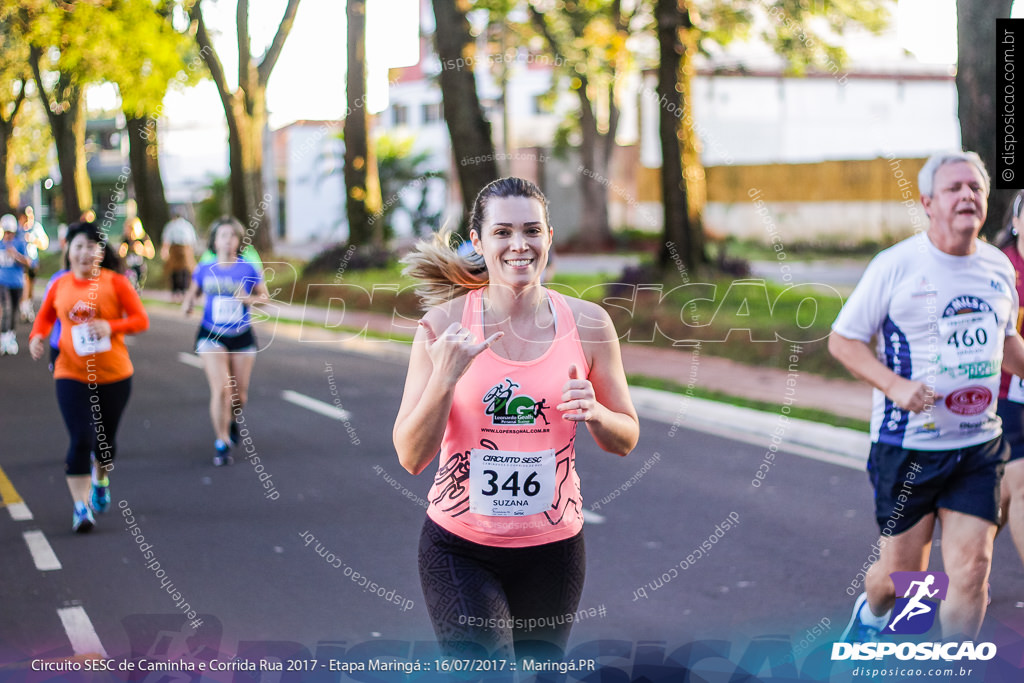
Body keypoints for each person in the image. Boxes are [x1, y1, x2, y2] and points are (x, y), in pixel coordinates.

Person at [393, 178, 639, 661]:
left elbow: (626, 438)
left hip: (555, 550)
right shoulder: (442, 327)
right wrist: (444, 379)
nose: (518, 244)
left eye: (531, 230)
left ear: (549, 236)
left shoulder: (589, 324)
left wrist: (595, 413)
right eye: (502, 232)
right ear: (479, 241)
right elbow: (410, 456)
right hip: (459, 547)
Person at [829, 151, 1024, 642]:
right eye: (955, 188)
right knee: (903, 580)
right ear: (928, 203)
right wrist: (894, 386)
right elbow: (843, 340)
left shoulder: (999, 268)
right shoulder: (896, 266)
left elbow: (1006, 343)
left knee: (972, 570)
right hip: (908, 447)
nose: (967, 196)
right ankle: (870, 616)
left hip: (978, 445)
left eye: (976, 188)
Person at [28, 222, 149, 533]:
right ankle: (81, 508)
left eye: (91, 247)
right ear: (68, 250)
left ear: (100, 252)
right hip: (70, 372)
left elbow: (140, 320)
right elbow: (45, 316)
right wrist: (37, 337)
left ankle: (101, 478)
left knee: (105, 444)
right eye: (78, 246)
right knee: (81, 438)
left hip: (114, 375)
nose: (84, 253)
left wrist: (112, 327)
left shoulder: (116, 283)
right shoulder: (59, 284)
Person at [182, 217, 269, 466]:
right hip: (211, 334)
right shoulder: (205, 267)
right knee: (221, 389)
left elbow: (265, 297)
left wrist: (249, 299)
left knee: (239, 396)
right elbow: (192, 294)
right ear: (214, 240)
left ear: (239, 241)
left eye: (232, 236)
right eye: (222, 235)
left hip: (241, 335)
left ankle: (231, 419)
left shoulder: (248, 268)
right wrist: (188, 305)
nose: (227, 240)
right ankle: (221, 441)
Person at [992, 191, 1024, 573]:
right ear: (1015, 223)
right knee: (1021, 483)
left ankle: (963, 555)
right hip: (1003, 395)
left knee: (1001, 495)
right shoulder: (999, 269)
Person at [0, 214, 31, 355]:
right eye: (5, 232)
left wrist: (15, 255)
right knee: (6, 309)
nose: (8, 235)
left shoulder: (20, 243)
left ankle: (11, 337)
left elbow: (29, 263)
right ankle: (4, 337)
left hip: (17, 282)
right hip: (2, 282)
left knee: (13, 311)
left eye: (10, 232)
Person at [18, 205, 48, 321]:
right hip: (20, 263)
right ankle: (24, 309)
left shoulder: (36, 228)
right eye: (26, 216)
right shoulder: (16, 229)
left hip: (33, 261)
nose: (28, 219)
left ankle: (27, 307)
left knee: (30, 286)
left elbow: (44, 244)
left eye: (30, 216)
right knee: (25, 284)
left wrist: (33, 240)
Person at [161, 211, 198, 301]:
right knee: (182, 271)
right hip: (182, 248)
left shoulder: (171, 225)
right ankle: (181, 292)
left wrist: (165, 251)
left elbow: (166, 239)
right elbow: (193, 240)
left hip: (179, 248)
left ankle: (177, 292)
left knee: (178, 271)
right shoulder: (187, 225)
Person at [118, 214, 155, 290]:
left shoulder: (143, 238)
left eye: (130, 229)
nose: (128, 232)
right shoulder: (125, 239)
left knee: (137, 287)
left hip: (139, 267)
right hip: (128, 267)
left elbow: (151, 253)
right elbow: (121, 254)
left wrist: (141, 250)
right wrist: (122, 252)